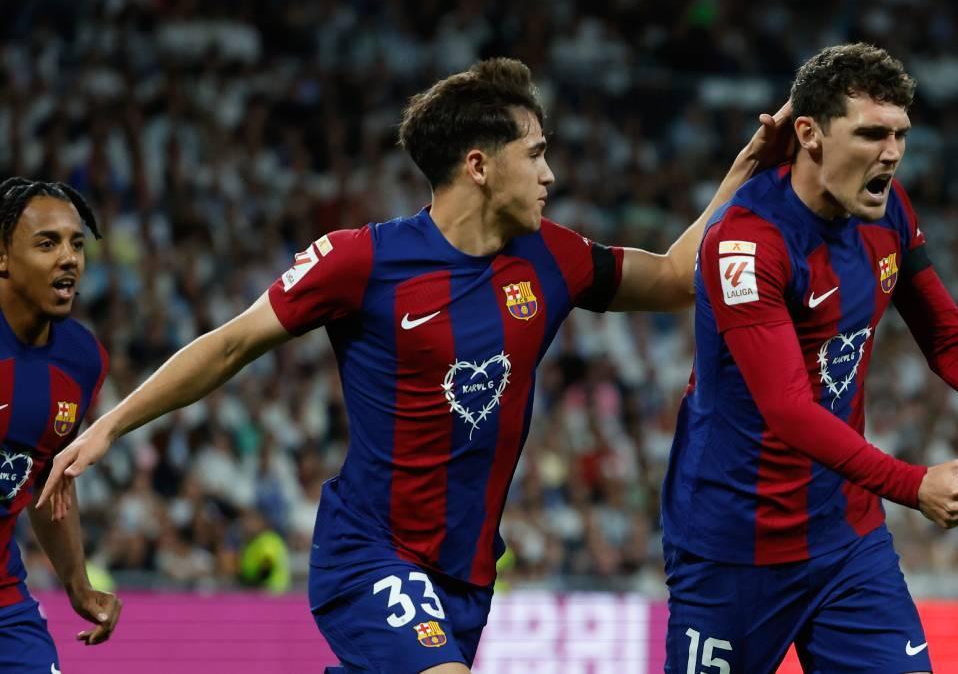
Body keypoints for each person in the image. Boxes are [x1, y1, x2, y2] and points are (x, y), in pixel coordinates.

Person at [36, 59, 792, 674]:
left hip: (469, 576)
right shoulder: (362, 260)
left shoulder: (551, 257)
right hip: (370, 552)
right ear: (479, 166)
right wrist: (113, 424)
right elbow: (232, 343)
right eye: (534, 155)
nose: (550, 175)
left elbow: (670, 276)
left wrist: (747, 172)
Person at [658, 43, 958, 674]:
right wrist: (914, 484)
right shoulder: (746, 242)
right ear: (810, 134)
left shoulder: (888, 212)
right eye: (872, 133)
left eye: (901, 133)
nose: (892, 153)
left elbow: (951, 341)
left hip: (846, 540)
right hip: (733, 547)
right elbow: (788, 410)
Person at [0, 178, 122, 671]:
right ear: (2, 256)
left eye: (76, 243)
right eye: (47, 243)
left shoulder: (82, 361)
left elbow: (50, 480)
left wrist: (77, 584)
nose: (68, 257)